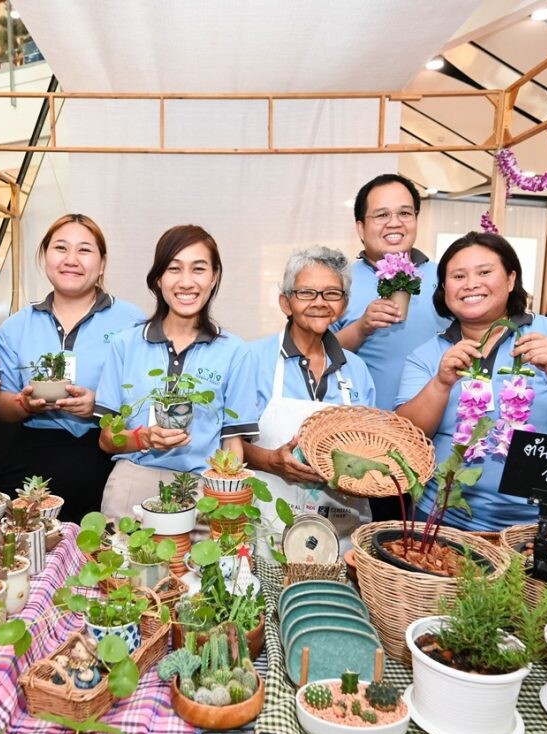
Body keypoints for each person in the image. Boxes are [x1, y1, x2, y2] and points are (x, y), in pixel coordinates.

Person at [396, 232, 547, 532]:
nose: (471, 284)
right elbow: (406, 438)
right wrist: (441, 384)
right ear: (444, 288)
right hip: (442, 523)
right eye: (458, 276)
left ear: (511, 280)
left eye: (485, 272)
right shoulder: (428, 354)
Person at [94, 224, 259, 522]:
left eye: (198, 269)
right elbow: (107, 439)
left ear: (214, 277)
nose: (186, 282)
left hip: (203, 492)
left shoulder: (235, 352)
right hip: (133, 483)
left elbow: (232, 444)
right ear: (158, 279)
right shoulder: (125, 345)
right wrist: (145, 438)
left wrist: (226, 503)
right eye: (174, 269)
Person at [0, 214, 145, 522]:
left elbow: (143, 400)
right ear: (45, 256)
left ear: (101, 264)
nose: (71, 259)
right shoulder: (16, 326)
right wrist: (25, 403)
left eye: (84, 250)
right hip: (28, 456)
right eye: (61, 248)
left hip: (104, 455)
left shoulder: (132, 322)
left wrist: (99, 406)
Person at [244, 246, 377, 551]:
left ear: (343, 304)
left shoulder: (357, 370)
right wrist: (271, 461)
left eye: (331, 293)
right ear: (285, 303)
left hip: (340, 529)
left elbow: (370, 446)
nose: (319, 303)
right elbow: (229, 446)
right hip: (267, 528)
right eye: (306, 293)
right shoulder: (252, 360)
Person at [333, 174, 444, 410]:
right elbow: (316, 354)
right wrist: (361, 328)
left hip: (435, 430)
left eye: (404, 213)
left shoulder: (446, 278)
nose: (394, 223)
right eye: (382, 215)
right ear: (360, 227)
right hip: (363, 430)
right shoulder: (339, 283)